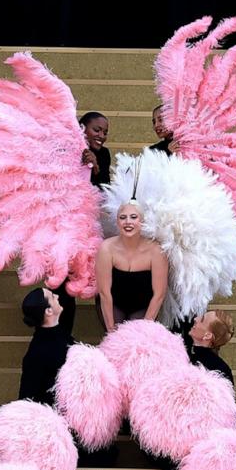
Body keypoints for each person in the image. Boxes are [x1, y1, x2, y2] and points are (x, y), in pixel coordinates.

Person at [96, 201, 168, 333]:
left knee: (135, 341)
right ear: (117, 222)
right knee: (115, 342)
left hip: (143, 306)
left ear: (142, 221)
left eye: (133, 217)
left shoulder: (156, 250)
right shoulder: (106, 248)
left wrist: (144, 330)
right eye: (123, 217)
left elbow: (159, 294)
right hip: (113, 304)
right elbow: (104, 293)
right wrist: (111, 331)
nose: (128, 222)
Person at [19, 287, 74, 403]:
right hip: (51, 415)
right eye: (53, 297)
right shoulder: (36, 353)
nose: (58, 297)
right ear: (48, 311)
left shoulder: (61, 333)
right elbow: (26, 397)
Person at [186, 309, 234, 382]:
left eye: (202, 320)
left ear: (207, 335)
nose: (195, 319)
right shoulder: (222, 367)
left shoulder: (218, 370)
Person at [79, 111, 112, 187]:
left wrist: (95, 167)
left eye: (105, 133)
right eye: (97, 130)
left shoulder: (104, 153)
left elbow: (105, 189)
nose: (102, 136)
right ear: (82, 128)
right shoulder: (68, 151)